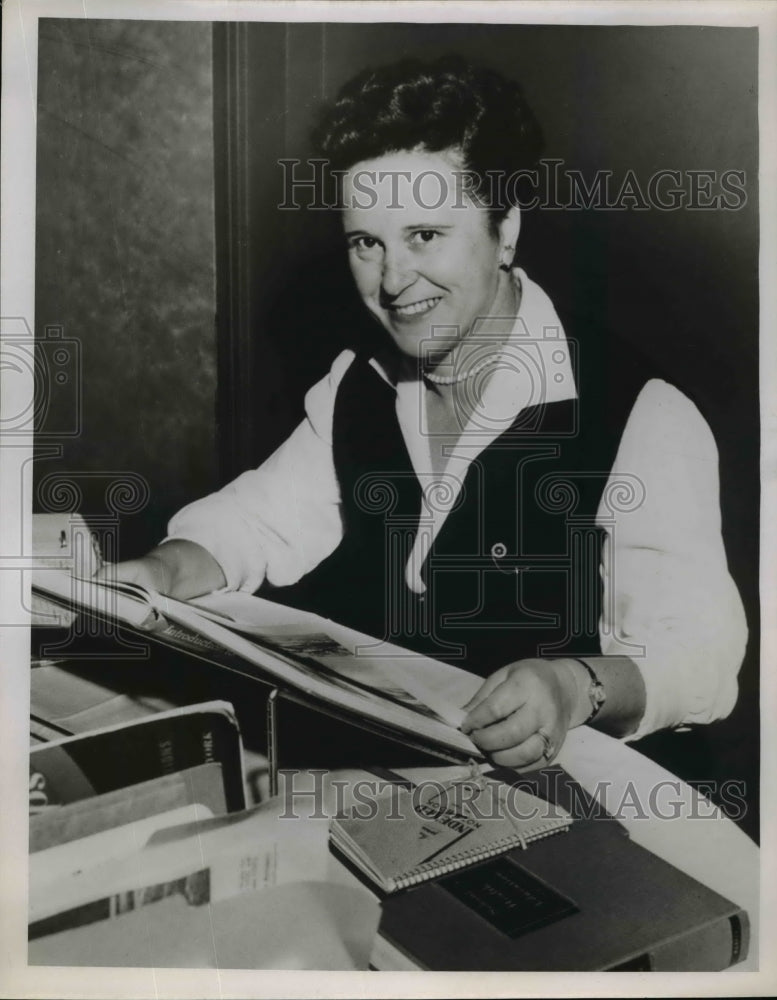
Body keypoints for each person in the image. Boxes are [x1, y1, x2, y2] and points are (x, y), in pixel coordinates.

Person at [103, 56, 747, 769]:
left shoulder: (642, 414)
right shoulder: (359, 382)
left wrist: (570, 687)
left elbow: (699, 661)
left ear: (504, 231)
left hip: (593, 805)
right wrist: (159, 574)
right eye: (365, 243)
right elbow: (255, 523)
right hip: (414, 779)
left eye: (425, 236)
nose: (393, 281)